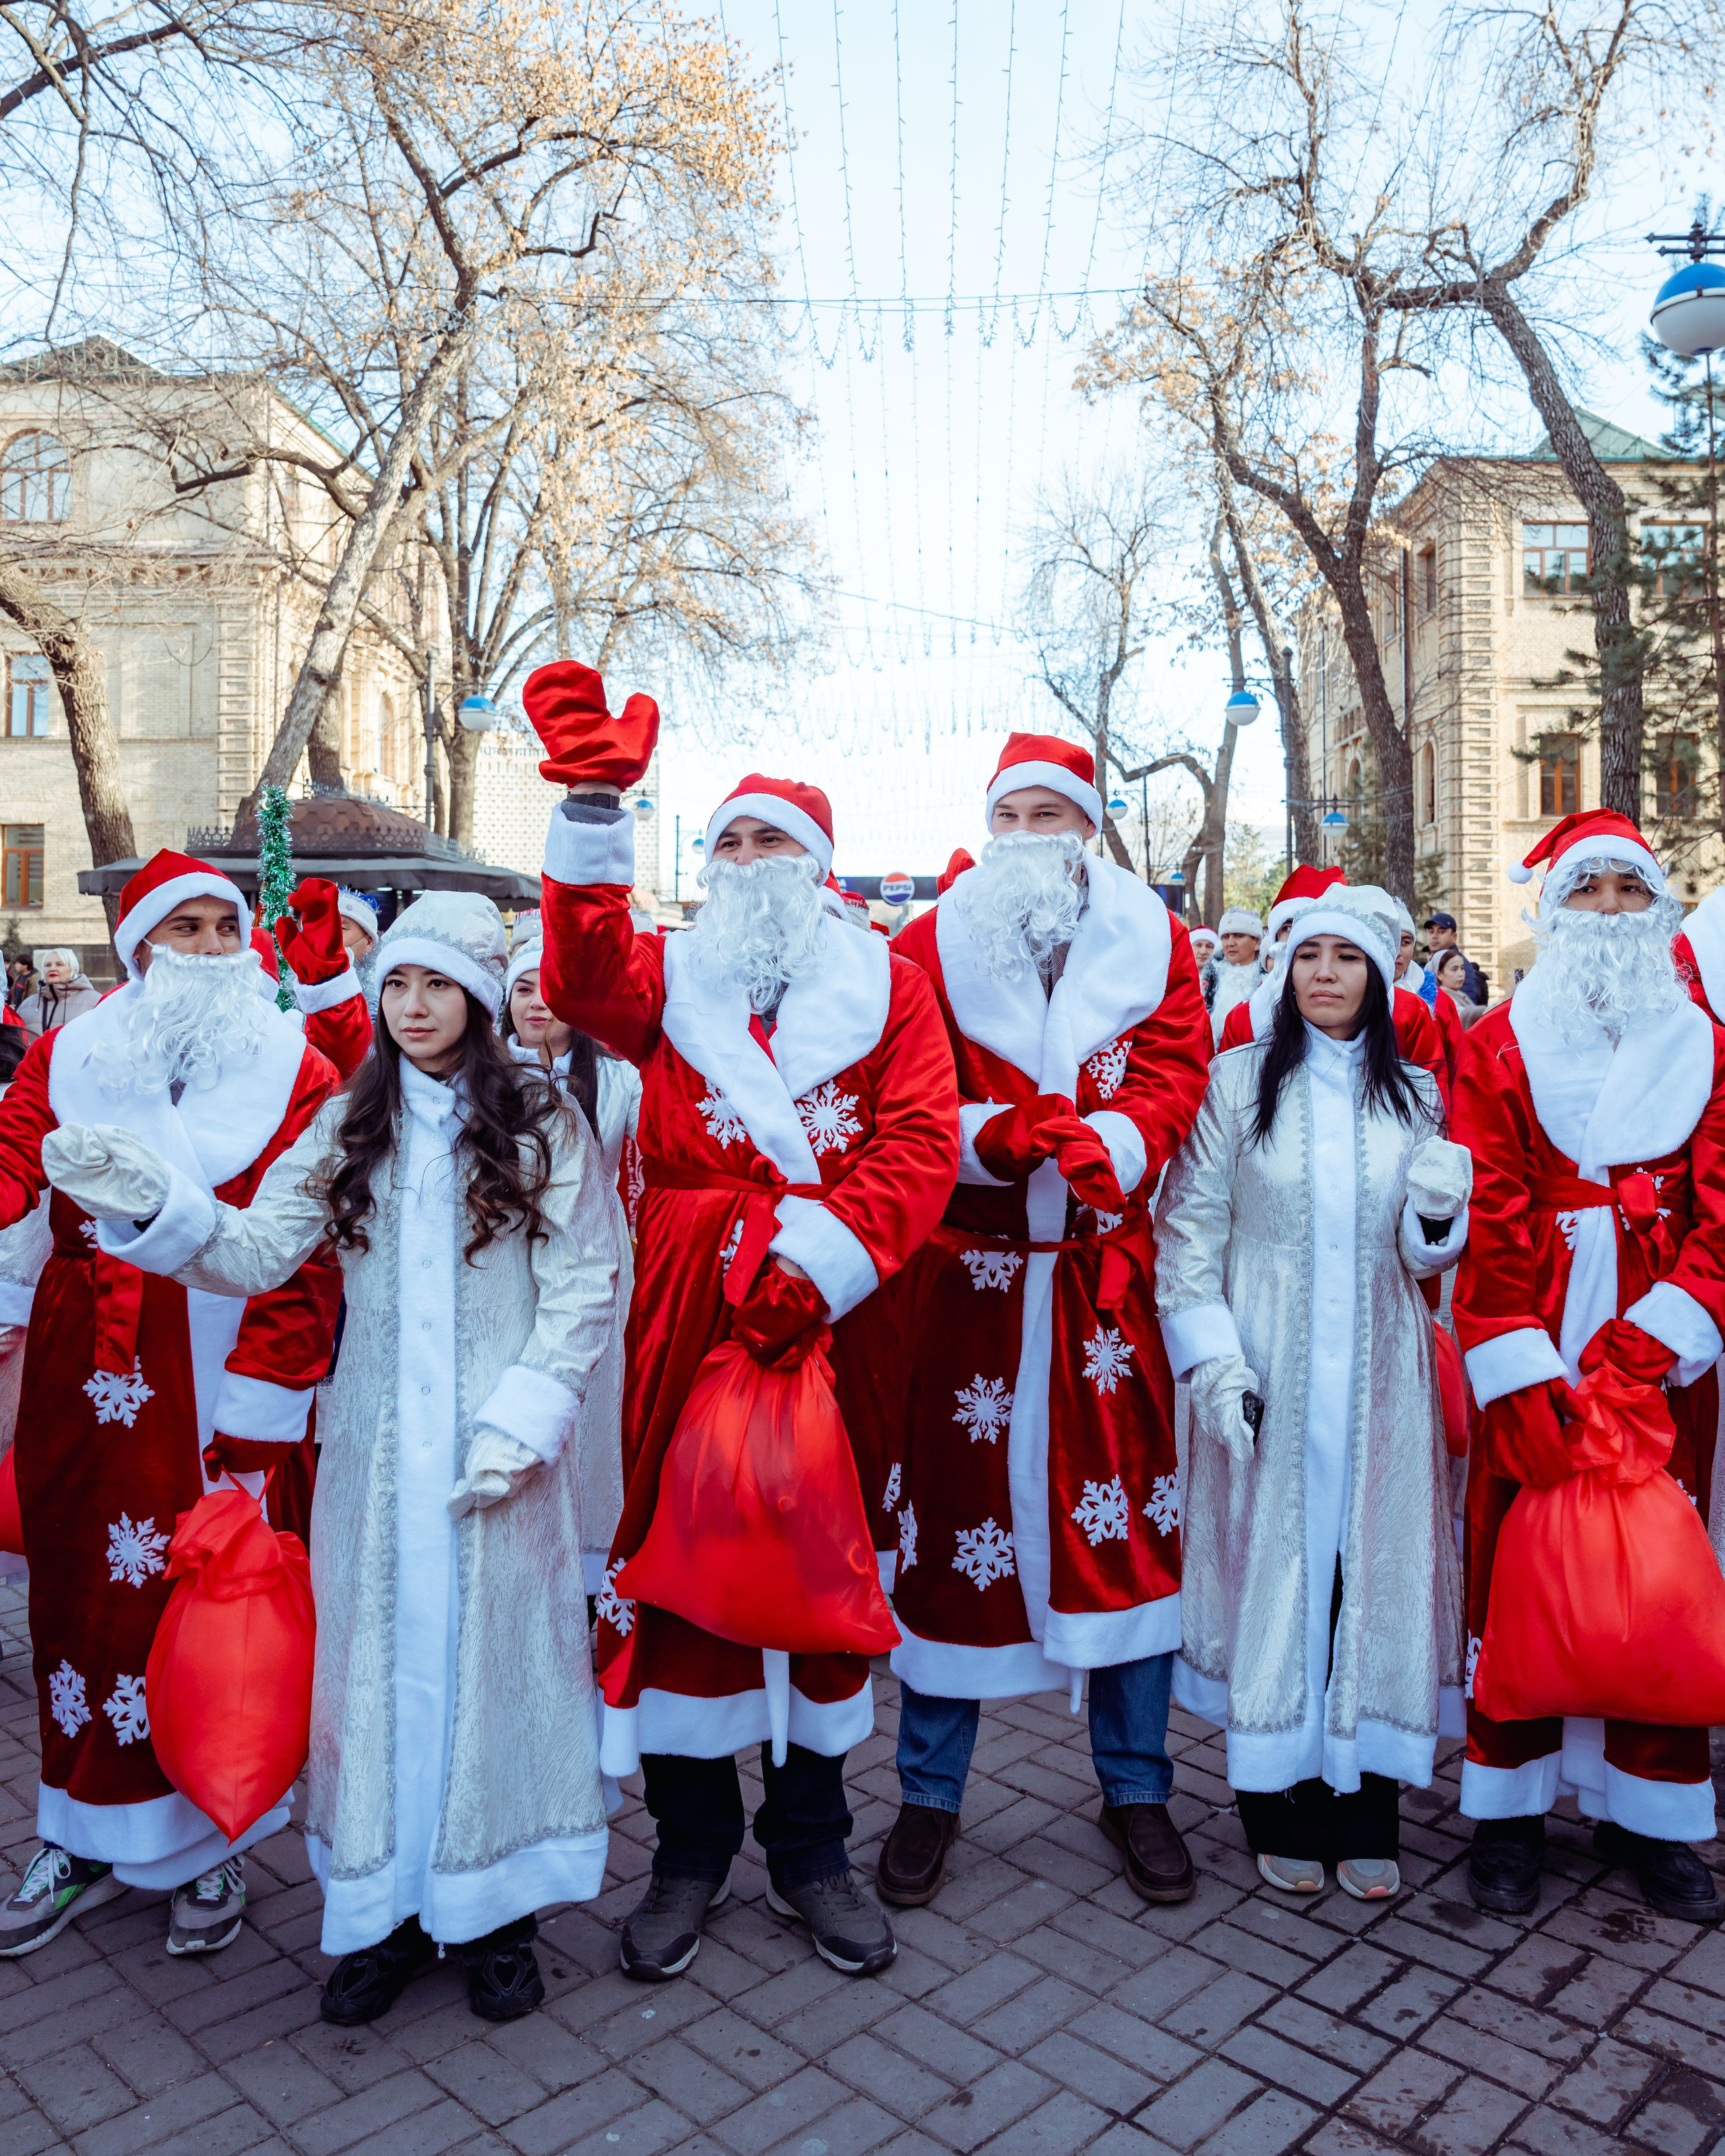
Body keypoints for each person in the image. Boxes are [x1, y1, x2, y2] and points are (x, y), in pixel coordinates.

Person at [40, 891, 621, 2021]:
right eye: (396, 983)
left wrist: (528, 1415)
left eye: (436, 985)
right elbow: (261, 1251)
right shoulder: (353, 1122)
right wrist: (160, 1207)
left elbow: (586, 1279)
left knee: (490, 1665)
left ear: (480, 997)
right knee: (377, 1673)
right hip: (373, 1454)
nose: (411, 1007)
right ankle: (387, 1914)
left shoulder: (544, 1119)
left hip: (496, 1450)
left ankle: (494, 1914)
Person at [528, 658, 958, 1983]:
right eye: (730, 838)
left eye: (774, 838)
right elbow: (581, 972)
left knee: (817, 1566)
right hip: (685, 1301)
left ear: (819, 864)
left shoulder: (888, 988)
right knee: (681, 1563)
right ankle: (688, 1846)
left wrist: (815, 1267)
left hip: (834, 1321)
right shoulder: (670, 972)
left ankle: (811, 1846)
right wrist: (597, 808)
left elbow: (921, 1141)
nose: (749, 854)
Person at [878, 732, 1212, 1912]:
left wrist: (1115, 1142)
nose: (1030, 835)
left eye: (1052, 816)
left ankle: (1137, 1786)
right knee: (953, 1530)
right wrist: (994, 1132)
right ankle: (928, 1794)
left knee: (1121, 1531)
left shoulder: (1152, 938)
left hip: (1097, 1287)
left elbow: (1176, 1067)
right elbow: (901, 1085)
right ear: (989, 827)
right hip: (966, 1285)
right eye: (1011, 815)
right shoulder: (927, 942)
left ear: (1088, 831)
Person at [0, 851, 344, 1960]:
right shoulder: (67, 1052)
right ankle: (78, 1829)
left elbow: (308, 1256)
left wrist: (266, 1405)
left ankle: (213, 1832)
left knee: (212, 1601)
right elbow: (12, 1175)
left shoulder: (299, 1072)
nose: (200, 948)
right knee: (80, 1595)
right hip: (84, 1361)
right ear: (138, 944)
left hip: (221, 1364)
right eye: (178, 928)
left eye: (218, 927)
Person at [1157, 885, 1469, 1900]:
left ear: (1379, 975)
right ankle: (1276, 1797)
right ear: (1284, 973)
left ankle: (1365, 1803)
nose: (1325, 973)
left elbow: (1428, 1264)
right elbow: (1191, 1229)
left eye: (1347, 957)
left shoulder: (1415, 1095)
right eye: (1307, 956)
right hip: (1270, 1354)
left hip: (1381, 1369)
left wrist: (1435, 1220)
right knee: (1276, 1567)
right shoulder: (1236, 1083)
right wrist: (1213, 1362)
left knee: (1366, 1566)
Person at [1451, 808, 1725, 1924]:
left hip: (1661, 1334)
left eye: (1626, 890)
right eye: (1585, 892)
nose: (1607, 910)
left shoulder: (1708, 1041)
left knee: (1654, 1563)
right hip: (1539, 1322)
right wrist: (1521, 1359)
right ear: (1553, 913)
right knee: (1517, 1557)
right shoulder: (1499, 1042)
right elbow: (1489, 1200)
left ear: (1656, 909)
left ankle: (1649, 1813)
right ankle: (1509, 1812)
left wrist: (1661, 1336)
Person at [502, 929, 638, 1591]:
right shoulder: (483, 1078)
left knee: (592, 1403)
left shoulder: (617, 1080)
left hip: (595, 1260)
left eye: (549, 990)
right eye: (523, 988)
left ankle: (589, 1563)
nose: (536, 1004)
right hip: (505, 1259)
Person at [1220, 872, 1448, 1099]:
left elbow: (1435, 1097)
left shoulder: (1408, 1013)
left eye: (1347, 956)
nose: (1324, 973)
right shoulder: (1243, 1020)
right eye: (1289, 927)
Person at [1208, 908, 1263, 1044]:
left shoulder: (1267, 980)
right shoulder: (1207, 983)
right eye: (1226, 937)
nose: (1230, 943)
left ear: (1257, 943)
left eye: (1238, 936)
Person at [19, 951, 100, 1038]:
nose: (52, 969)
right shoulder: (27, 1005)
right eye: (48, 965)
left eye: (59, 964)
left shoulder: (95, 1001)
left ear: (74, 969)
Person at [1425, 914, 1486, 1005]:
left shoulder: (1460, 964)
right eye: (1431, 932)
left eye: (1441, 932)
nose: (1434, 936)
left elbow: (1466, 1004)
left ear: (1454, 937)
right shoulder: (1434, 961)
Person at [1434, 947, 1484, 1028]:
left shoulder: (1458, 994)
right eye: (1454, 969)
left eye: (1462, 968)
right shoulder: (1441, 998)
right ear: (1440, 975)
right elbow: (1460, 1016)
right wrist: (1490, 1009)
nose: (1461, 974)